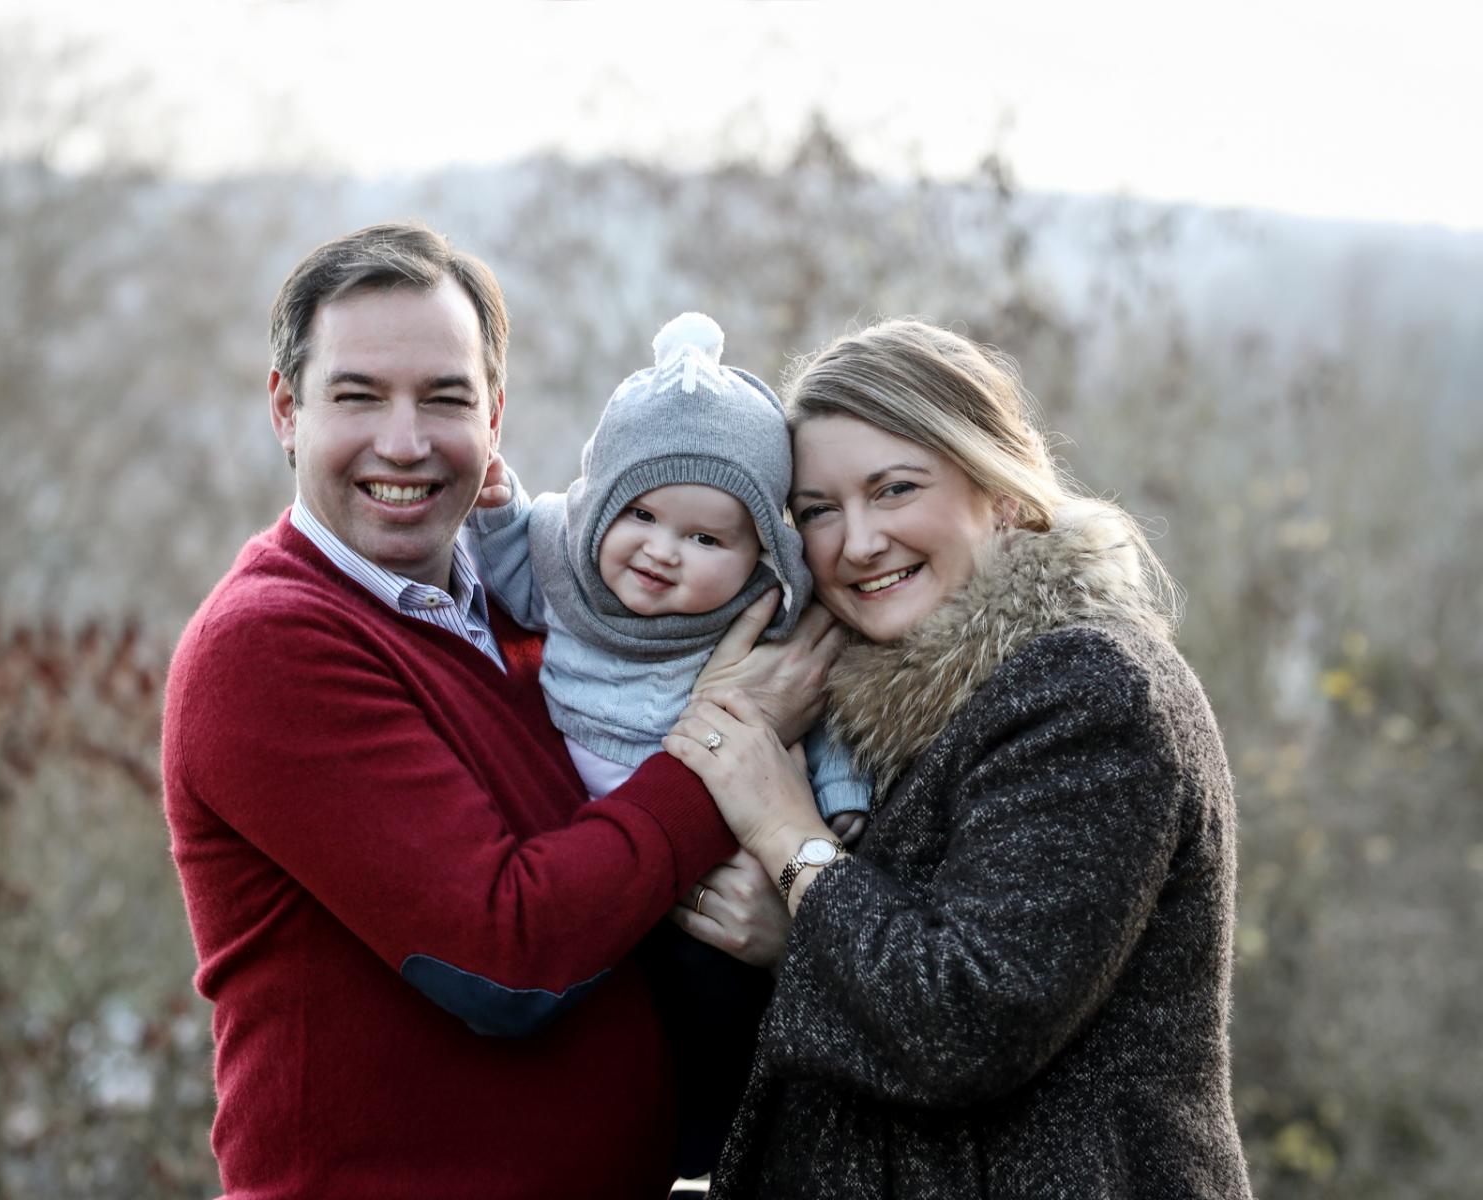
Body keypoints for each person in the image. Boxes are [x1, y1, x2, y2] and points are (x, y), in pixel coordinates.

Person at [160, 221, 834, 1199]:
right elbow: (508, 958)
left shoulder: (547, 613)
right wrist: (725, 741)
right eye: (358, 396)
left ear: (495, 417)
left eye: (445, 398)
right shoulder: (270, 645)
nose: (405, 440)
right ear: (285, 410)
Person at [665, 319, 1253, 1198]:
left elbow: (970, 1017)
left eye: (895, 489)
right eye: (818, 510)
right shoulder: (875, 713)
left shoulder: (1091, 691)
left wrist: (791, 839)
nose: (856, 542)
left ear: (1001, 489)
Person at [465, 310, 869, 1172]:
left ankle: (720, 1146)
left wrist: (840, 811)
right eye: (640, 514)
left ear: (760, 550)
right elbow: (507, 568)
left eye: (705, 538)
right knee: (613, 1016)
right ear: (601, 500)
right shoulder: (565, 560)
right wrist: (496, 514)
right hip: (597, 850)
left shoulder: (765, 621)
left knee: (716, 992)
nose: (661, 552)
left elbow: (820, 719)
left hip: (715, 868)